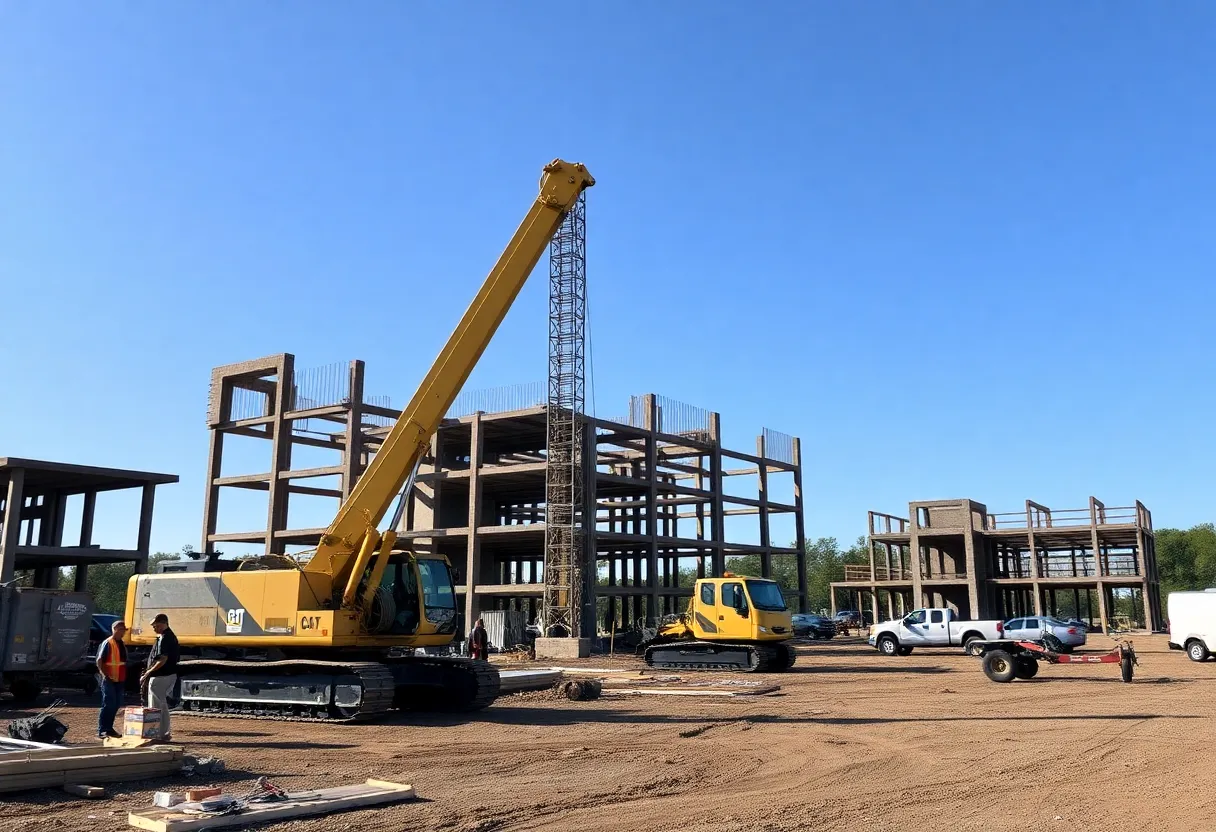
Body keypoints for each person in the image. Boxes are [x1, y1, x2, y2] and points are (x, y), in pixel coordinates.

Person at [139, 613, 179, 741]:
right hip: (167, 675)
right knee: (161, 704)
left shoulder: (165, 638)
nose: (154, 628)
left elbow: (162, 659)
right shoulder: (167, 636)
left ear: (162, 624)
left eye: (155, 626)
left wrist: (148, 672)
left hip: (161, 676)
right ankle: (162, 732)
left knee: (156, 705)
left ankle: (158, 733)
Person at [95, 619, 128, 739]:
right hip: (109, 678)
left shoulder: (121, 643)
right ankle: (103, 730)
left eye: (123, 630)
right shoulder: (108, 643)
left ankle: (109, 728)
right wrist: (104, 675)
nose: (122, 632)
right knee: (108, 704)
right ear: (114, 629)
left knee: (116, 704)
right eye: (120, 629)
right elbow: (99, 660)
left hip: (119, 678)